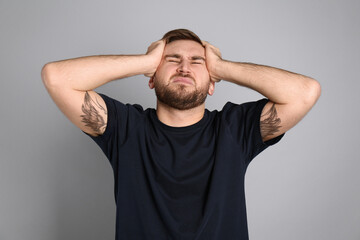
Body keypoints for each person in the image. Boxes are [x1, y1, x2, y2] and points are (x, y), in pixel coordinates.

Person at [41, 29, 321, 240]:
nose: (184, 67)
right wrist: (144, 60)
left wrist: (222, 67)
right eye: (172, 60)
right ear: (151, 77)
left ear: (212, 84)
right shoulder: (125, 127)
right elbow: (55, 77)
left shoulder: (236, 129)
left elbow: (305, 92)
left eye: (197, 62)